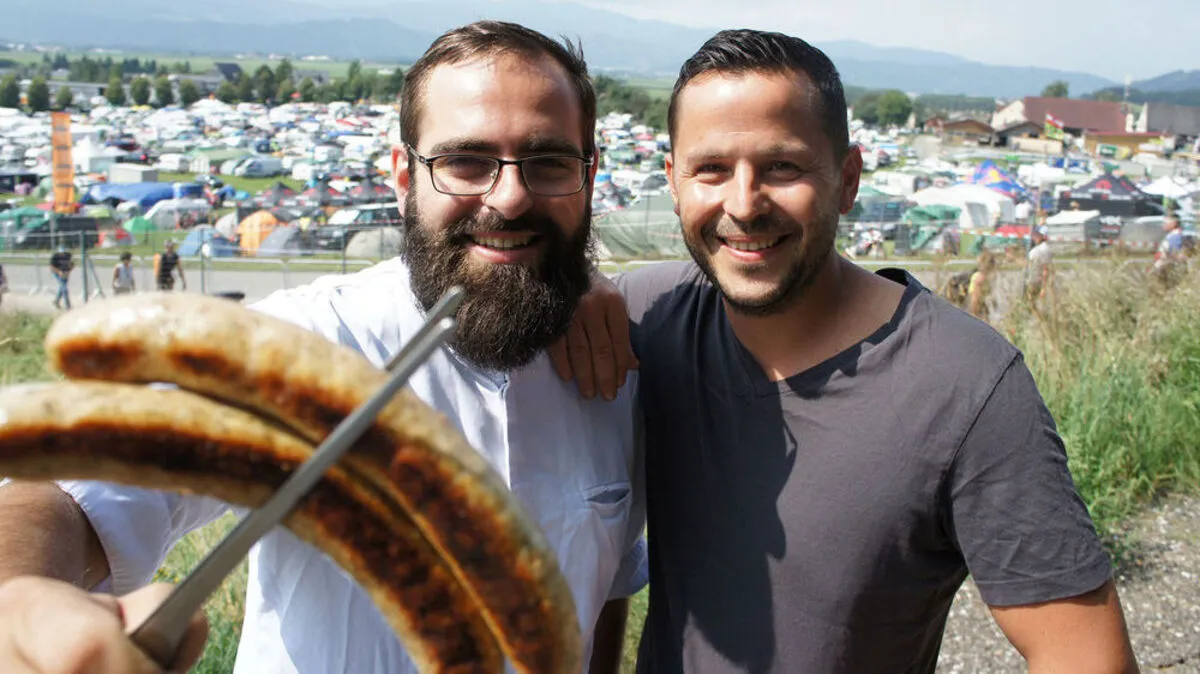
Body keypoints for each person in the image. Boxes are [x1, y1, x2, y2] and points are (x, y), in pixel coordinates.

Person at [0, 21, 644, 674]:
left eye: (548, 162)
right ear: (403, 175)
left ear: (588, 176)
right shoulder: (310, 343)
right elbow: (70, 484)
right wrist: (22, 606)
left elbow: (607, 586)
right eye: (465, 161)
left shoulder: (620, 368)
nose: (509, 197)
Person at [553, 29, 1137, 673]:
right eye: (711, 169)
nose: (743, 205)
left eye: (783, 167)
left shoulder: (964, 384)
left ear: (848, 180)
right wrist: (577, 284)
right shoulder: (642, 317)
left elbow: (1085, 655)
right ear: (673, 181)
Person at [1026, 224, 1053, 303]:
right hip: (1036, 281)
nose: (1034, 237)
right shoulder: (1044, 248)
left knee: (1033, 304)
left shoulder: (1038, 250)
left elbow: (1045, 270)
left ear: (1042, 236)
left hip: (1036, 282)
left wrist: (1043, 289)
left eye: (1036, 235)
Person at [49, 244, 74, 310]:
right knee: (64, 288)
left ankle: (56, 301)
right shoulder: (55, 257)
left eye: (63, 253)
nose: (62, 254)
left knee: (62, 288)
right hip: (57, 273)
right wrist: (59, 272)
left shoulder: (68, 255)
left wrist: (68, 272)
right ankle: (68, 306)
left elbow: (72, 264)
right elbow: (52, 267)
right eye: (61, 253)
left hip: (65, 272)